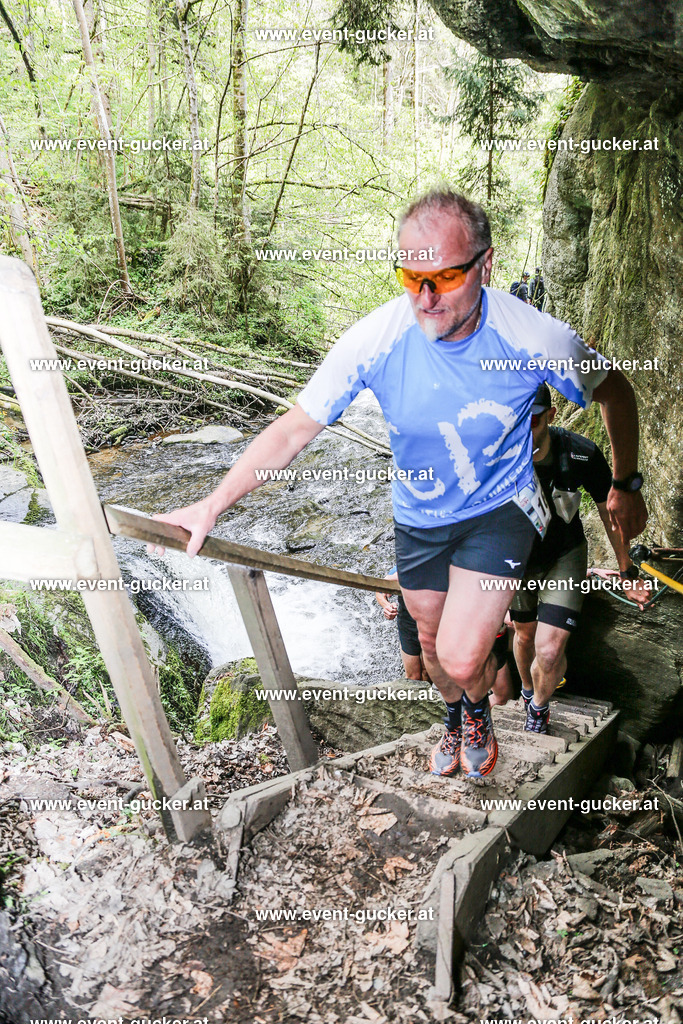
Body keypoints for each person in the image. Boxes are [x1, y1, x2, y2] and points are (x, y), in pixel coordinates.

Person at [151, 189, 647, 781]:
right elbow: (292, 431)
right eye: (412, 278)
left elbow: (615, 389)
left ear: (485, 266)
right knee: (434, 652)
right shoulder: (377, 338)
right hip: (419, 516)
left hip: (501, 510)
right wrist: (212, 504)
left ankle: (481, 712)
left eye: (445, 277)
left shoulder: (536, 339)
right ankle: (459, 717)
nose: (426, 297)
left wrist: (625, 482)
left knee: (465, 656)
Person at [511, 384, 650, 734]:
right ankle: (528, 692)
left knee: (549, 648)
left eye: (533, 421)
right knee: (525, 635)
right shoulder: (495, 458)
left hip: (565, 554)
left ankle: (538, 712)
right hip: (517, 561)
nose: (524, 431)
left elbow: (610, 510)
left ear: (550, 416)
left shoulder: (580, 453)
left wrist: (627, 569)